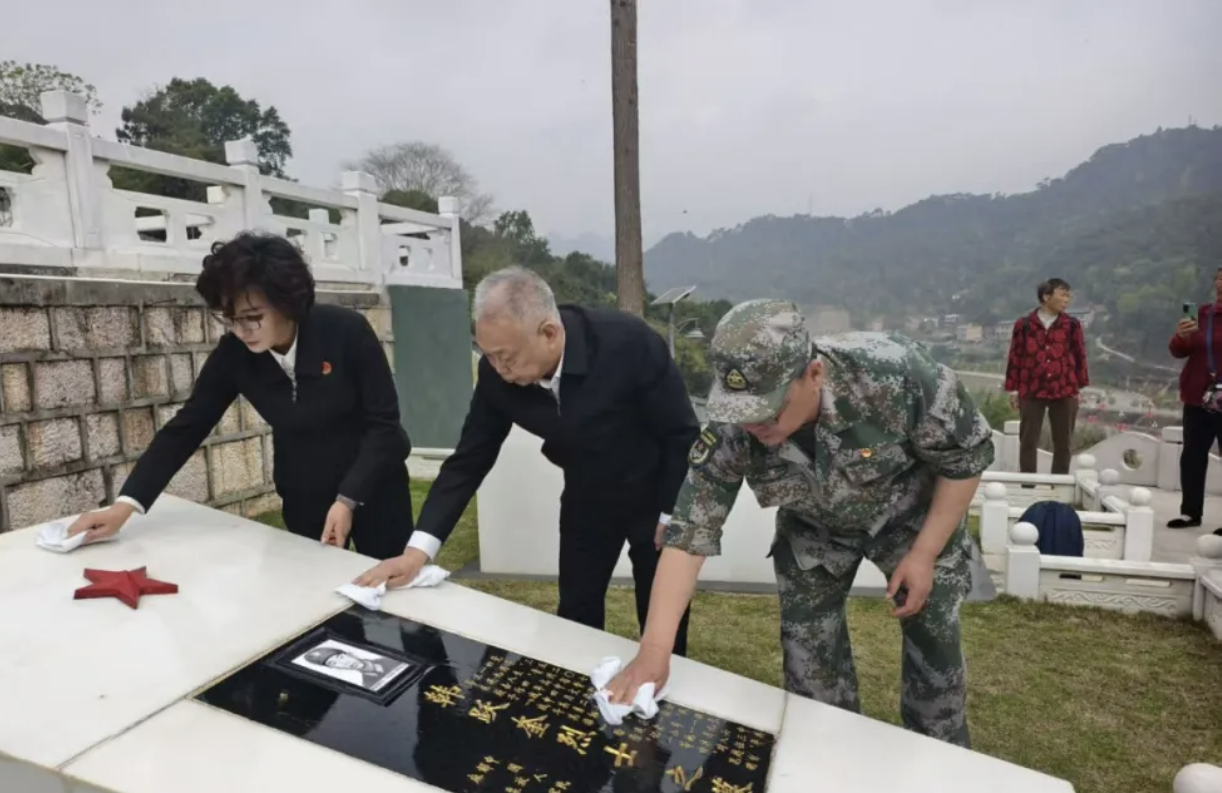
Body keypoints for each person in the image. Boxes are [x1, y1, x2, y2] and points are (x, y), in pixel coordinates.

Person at [605, 300, 995, 749]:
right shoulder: (734, 427)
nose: (754, 423)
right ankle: (824, 757)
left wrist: (925, 554)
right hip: (815, 529)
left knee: (935, 648)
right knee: (809, 661)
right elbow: (689, 536)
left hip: (913, 517)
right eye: (742, 409)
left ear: (813, 374)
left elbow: (965, 457)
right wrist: (654, 654)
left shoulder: (896, 374)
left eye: (770, 408)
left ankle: (939, 758)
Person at [353, 266, 700, 654]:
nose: (499, 369)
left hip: (655, 493)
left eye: (506, 357)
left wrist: (673, 512)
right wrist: (417, 552)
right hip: (587, 495)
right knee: (576, 608)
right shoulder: (496, 375)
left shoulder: (628, 343)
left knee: (662, 612)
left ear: (549, 333)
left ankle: (665, 680)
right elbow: (468, 460)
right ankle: (574, 681)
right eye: (488, 355)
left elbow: (682, 434)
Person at [69, 232, 414, 557]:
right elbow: (187, 427)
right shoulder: (234, 355)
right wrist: (124, 506)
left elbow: (383, 423)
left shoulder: (346, 331)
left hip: (375, 483)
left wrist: (347, 499)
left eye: (253, 317)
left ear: (287, 303)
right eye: (231, 318)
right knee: (312, 586)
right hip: (305, 489)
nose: (241, 330)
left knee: (391, 584)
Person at [1003, 277, 1089, 474]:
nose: (1066, 300)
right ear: (1046, 297)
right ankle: (1027, 483)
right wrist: (1013, 389)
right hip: (1031, 388)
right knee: (1028, 440)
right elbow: (1015, 356)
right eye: (1062, 295)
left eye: (1068, 296)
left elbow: (1079, 355)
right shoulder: (1024, 325)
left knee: (1063, 442)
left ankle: (1058, 485)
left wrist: (1079, 387)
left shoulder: (1072, 325)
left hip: (1064, 388)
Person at [1166, 266, 1222, 533]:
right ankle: (1190, 512)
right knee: (1192, 456)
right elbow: (1178, 351)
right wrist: (1182, 336)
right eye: (1219, 277)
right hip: (1199, 396)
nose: (1221, 282)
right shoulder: (1201, 314)